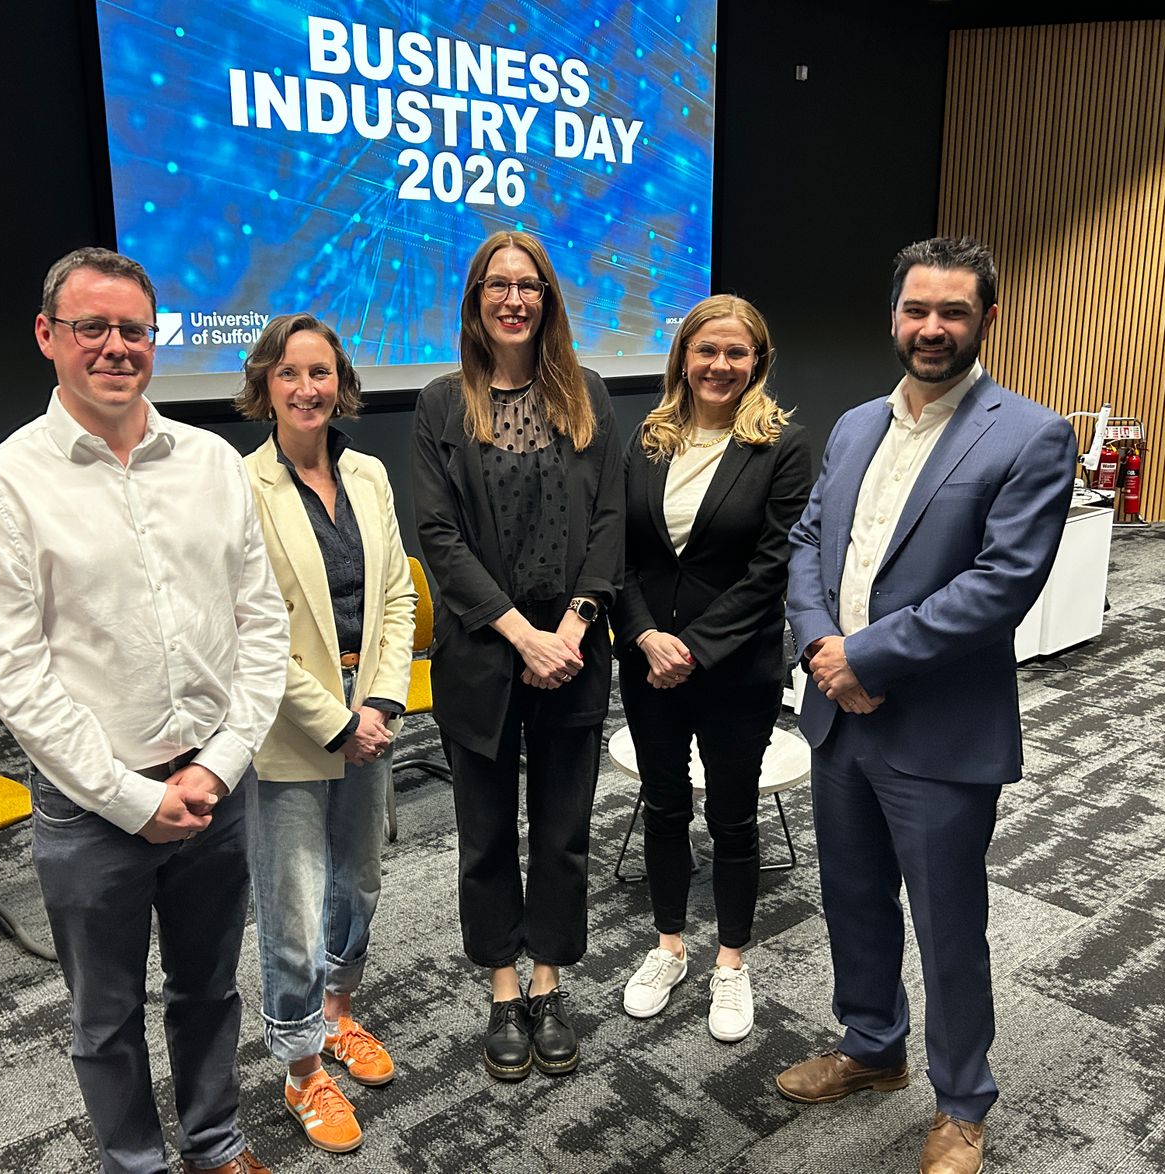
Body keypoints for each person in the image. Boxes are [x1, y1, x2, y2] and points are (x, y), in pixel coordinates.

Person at [0, 247, 287, 1174]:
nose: (113, 347)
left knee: (208, 989)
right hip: (89, 804)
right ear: (47, 336)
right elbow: (13, 676)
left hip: (216, 783)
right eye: (90, 327)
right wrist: (134, 801)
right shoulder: (1, 486)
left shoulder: (213, 464)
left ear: (155, 340)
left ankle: (214, 1144)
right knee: (104, 1014)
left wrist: (218, 765)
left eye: (131, 329)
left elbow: (264, 628)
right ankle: (134, 1163)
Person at [779, 237, 1075, 1174]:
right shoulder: (857, 424)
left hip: (936, 730)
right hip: (839, 717)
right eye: (917, 310)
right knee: (852, 899)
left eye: (952, 311)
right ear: (894, 315)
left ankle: (962, 1103)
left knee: (948, 923)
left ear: (986, 318)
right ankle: (871, 1046)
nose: (932, 328)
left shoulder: (1028, 434)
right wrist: (825, 650)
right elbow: (810, 541)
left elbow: (1001, 585)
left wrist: (864, 655)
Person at [412, 229, 624, 1081]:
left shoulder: (590, 397)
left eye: (527, 284)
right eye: (496, 284)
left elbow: (609, 522)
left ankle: (548, 980)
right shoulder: (438, 404)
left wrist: (570, 628)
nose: (512, 298)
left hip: (572, 648)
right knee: (486, 833)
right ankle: (502, 986)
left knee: (564, 830)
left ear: (547, 299)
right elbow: (437, 534)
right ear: (475, 300)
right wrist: (518, 632)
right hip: (485, 650)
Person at [235, 314, 416, 1154]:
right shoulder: (242, 486)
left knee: (359, 884)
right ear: (264, 384)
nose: (307, 389)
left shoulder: (371, 474)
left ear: (340, 382)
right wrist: (338, 720)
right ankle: (301, 1062)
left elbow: (397, 600)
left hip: (369, 706)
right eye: (289, 373)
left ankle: (338, 1015)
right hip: (289, 720)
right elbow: (248, 631)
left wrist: (379, 700)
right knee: (294, 902)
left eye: (320, 373)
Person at [610, 294, 811, 1042]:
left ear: (756, 361)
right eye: (707, 352)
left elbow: (772, 567)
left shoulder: (780, 446)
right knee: (664, 808)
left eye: (736, 353)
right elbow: (619, 556)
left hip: (734, 667)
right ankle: (668, 947)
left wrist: (689, 646)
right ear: (683, 359)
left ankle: (729, 960)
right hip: (647, 662)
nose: (719, 366)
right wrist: (643, 638)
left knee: (731, 816)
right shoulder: (648, 440)